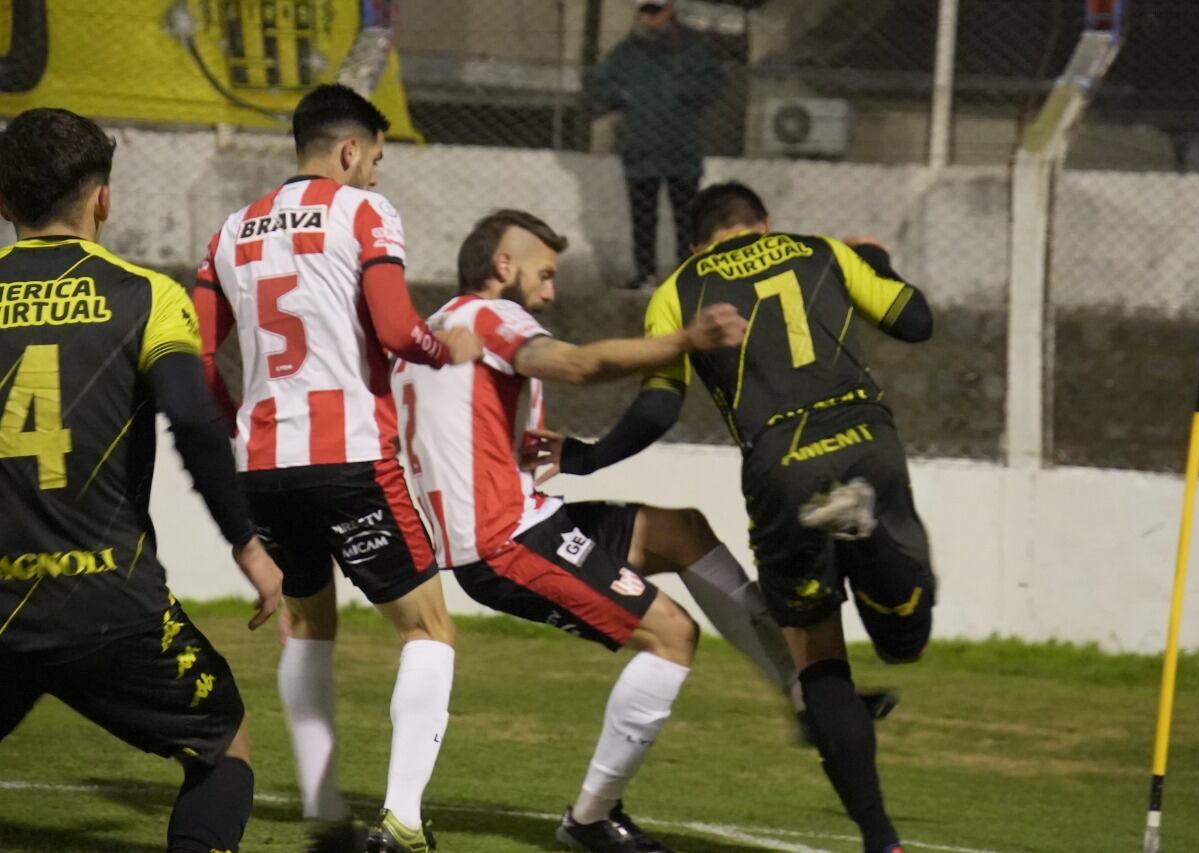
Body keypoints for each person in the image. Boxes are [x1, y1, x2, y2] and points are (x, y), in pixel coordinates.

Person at [530, 182, 936, 853]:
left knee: (817, 658)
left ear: (696, 242)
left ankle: (881, 840)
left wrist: (591, 456)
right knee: (905, 636)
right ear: (763, 223)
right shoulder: (821, 251)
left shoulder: (681, 287)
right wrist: (881, 260)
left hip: (781, 461)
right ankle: (864, 540)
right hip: (867, 438)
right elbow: (916, 321)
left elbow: (659, 407)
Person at [390, 209, 758, 853]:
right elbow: (579, 365)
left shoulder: (429, 333)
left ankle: (799, 685)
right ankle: (591, 819)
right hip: (508, 542)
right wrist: (684, 341)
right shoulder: (491, 317)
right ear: (503, 266)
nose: (552, 291)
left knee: (682, 531)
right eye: (545, 273)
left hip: (512, 525)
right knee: (672, 634)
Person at [194, 84, 483, 853]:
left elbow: (197, 358)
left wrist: (240, 421)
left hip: (263, 462)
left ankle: (326, 815)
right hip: (350, 457)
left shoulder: (228, 231)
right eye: (376, 160)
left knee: (306, 622)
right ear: (350, 150)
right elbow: (395, 327)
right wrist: (441, 350)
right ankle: (402, 820)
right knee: (428, 627)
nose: (377, 178)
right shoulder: (362, 213)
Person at [0, 107, 284, 853]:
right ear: (103, 198)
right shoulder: (148, 296)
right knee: (222, 744)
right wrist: (246, 543)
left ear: (3, 203)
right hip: (110, 605)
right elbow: (193, 420)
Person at [586, 0, 723, 290]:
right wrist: (623, 96)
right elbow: (599, 84)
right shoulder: (627, 52)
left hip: (681, 148)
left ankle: (689, 275)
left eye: (655, 11)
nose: (649, 18)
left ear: (670, 11)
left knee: (687, 216)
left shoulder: (694, 48)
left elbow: (715, 83)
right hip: (642, 149)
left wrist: (684, 93)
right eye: (644, 11)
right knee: (643, 216)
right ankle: (645, 273)